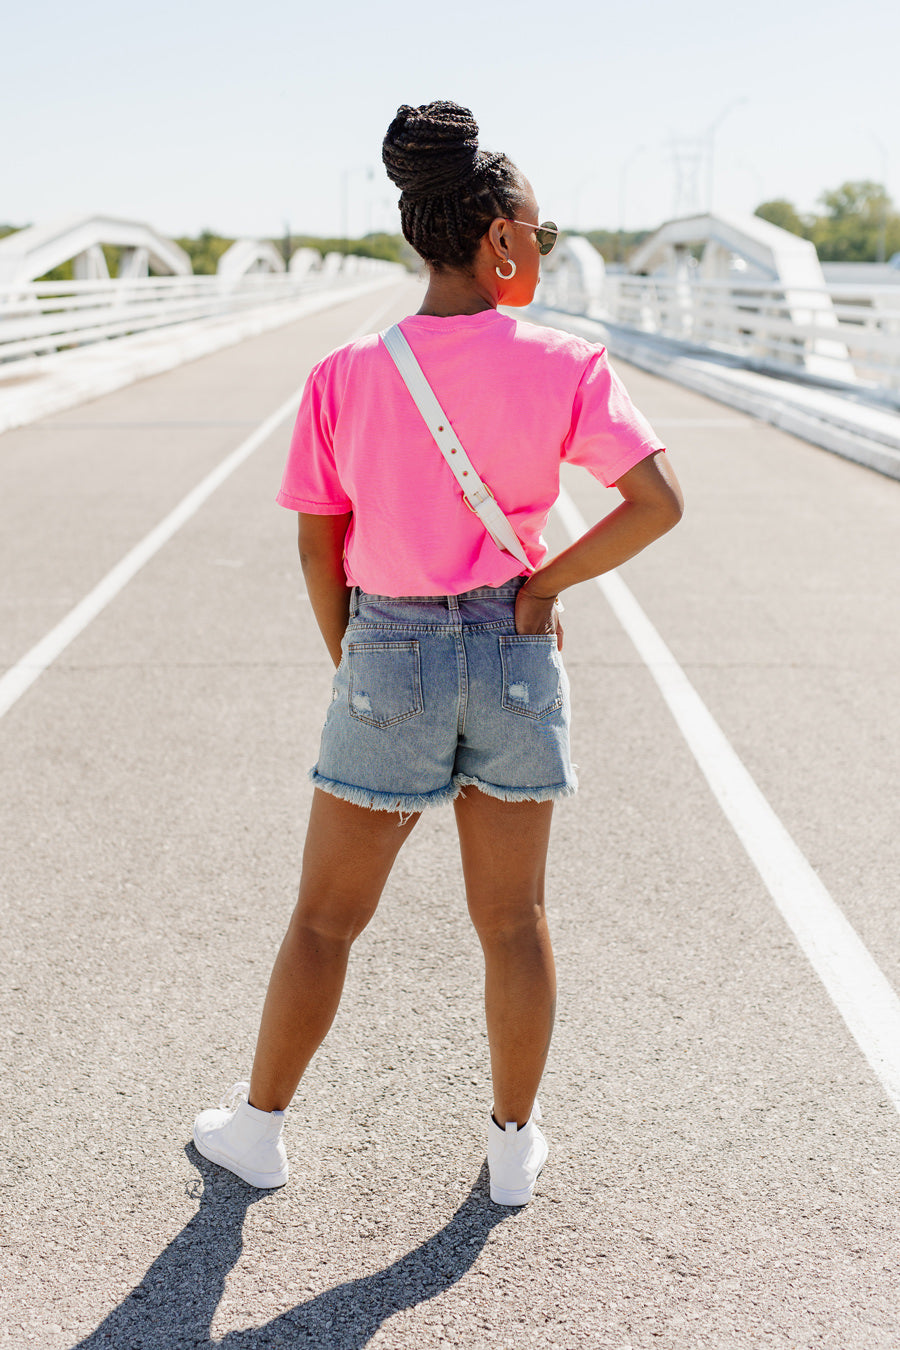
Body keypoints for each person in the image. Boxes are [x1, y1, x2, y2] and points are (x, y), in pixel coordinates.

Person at [193, 101, 683, 1206]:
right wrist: (545, 582)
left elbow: (321, 546)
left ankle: (258, 1132)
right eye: (538, 235)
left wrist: (354, 656)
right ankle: (512, 1151)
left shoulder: (345, 373)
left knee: (326, 916)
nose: (542, 254)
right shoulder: (565, 363)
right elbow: (656, 501)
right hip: (513, 646)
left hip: (388, 647)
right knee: (513, 920)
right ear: (499, 237)